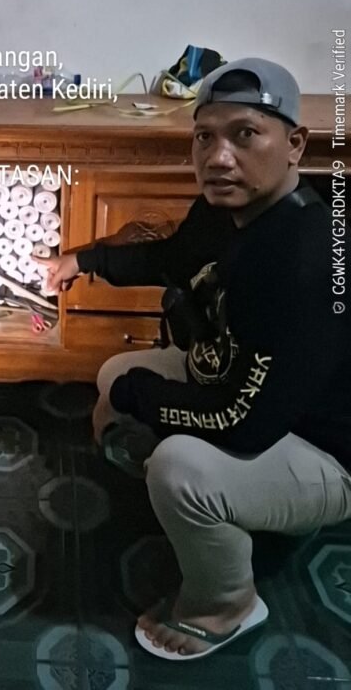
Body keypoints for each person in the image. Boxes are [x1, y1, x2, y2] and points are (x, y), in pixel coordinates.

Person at [37, 59, 351, 660]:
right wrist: (81, 261)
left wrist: (137, 398)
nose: (218, 157)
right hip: (256, 395)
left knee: (178, 467)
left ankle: (226, 603)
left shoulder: (305, 259)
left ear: (295, 144)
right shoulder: (223, 210)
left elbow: (243, 419)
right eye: (204, 137)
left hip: (323, 449)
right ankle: (221, 508)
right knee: (113, 373)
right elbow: (170, 259)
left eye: (244, 134)